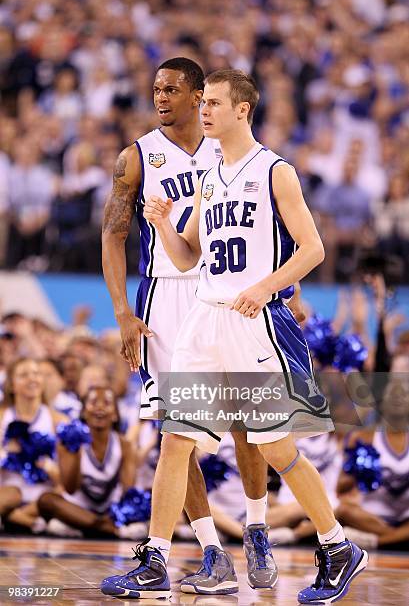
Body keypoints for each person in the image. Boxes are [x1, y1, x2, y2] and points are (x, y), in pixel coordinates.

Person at [101, 69, 368, 603]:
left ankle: (337, 545)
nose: (205, 111)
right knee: (176, 438)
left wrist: (267, 287)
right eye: (205, 103)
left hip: (253, 323)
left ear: (243, 110)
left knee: (274, 446)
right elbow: (187, 255)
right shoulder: (208, 177)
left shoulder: (276, 172)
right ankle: (154, 559)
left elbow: (312, 249)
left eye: (215, 103)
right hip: (205, 317)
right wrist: (161, 223)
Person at [101, 57, 284, 592]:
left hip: (223, 296)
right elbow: (113, 235)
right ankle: (208, 550)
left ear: (202, 95)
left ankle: (257, 530)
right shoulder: (137, 156)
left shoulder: (232, 146)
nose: (161, 98)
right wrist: (122, 313)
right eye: (155, 89)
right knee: (174, 434)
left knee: (246, 424)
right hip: (163, 296)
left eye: (173, 89)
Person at [38, 386, 143, 540]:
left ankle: (86, 527)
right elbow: (70, 488)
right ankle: (110, 529)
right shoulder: (68, 441)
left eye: (106, 403)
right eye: (93, 402)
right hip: (78, 508)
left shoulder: (125, 445)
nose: (99, 407)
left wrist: (121, 513)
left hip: (110, 510)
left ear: (115, 414)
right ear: (84, 412)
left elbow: (128, 492)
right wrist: (77, 453)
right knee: (46, 500)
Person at [336, 374, 409, 549]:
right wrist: (359, 471)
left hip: (406, 517)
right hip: (370, 517)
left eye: (403, 394)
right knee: (344, 510)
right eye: (392, 394)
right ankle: (398, 539)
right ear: (382, 402)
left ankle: (377, 541)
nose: (397, 398)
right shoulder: (364, 437)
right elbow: (340, 488)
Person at [0, 358, 67, 532]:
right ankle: (30, 523)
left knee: (57, 498)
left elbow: (68, 482)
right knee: (12, 493)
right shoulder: (2, 417)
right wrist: (5, 455)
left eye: (36, 374)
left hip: (41, 498)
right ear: (12, 385)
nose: (32, 379)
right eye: (23, 375)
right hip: (7, 492)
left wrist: (50, 469)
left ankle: (13, 518)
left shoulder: (58, 421)